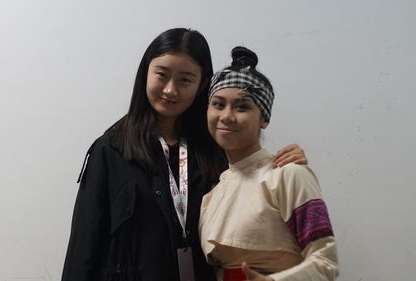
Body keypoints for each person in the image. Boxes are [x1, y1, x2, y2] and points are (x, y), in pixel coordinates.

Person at [62, 28, 307, 281]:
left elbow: (258, 200)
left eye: (185, 80)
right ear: (146, 72)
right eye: (162, 75)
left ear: (202, 84)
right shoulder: (111, 149)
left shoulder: (217, 148)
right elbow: (84, 247)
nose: (170, 90)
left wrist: (285, 164)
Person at [199, 46, 339, 281]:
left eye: (242, 106)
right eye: (218, 104)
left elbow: (326, 262)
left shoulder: (288, 174)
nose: (226, 116)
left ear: (264, 118)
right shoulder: (214, 192)